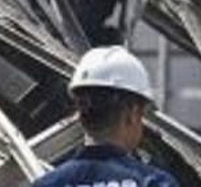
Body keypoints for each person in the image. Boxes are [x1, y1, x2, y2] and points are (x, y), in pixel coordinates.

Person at [33, 46, 180, 187]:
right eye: (143, 114)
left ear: (80, 112)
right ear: (132, 113)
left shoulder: (47, 184)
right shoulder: (155, 183)